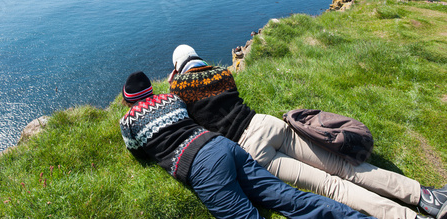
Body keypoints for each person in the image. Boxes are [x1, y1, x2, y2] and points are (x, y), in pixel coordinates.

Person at [167, 44, 447, 219]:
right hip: (267, 124)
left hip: (252, 147)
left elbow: (184, 111)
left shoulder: (178, 88)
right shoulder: (222, 73)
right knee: (345, 167)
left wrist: (173, 82)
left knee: (330, 186)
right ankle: (425, 197)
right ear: (198, 57)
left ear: (177, 68)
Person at [119, 71, 373, 219]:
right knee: (290, 198)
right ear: (152, 90)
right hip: (222, 145)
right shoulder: (171, 100)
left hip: (200, 165)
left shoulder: (128, 121)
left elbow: (138, 153)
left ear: (127, 100)